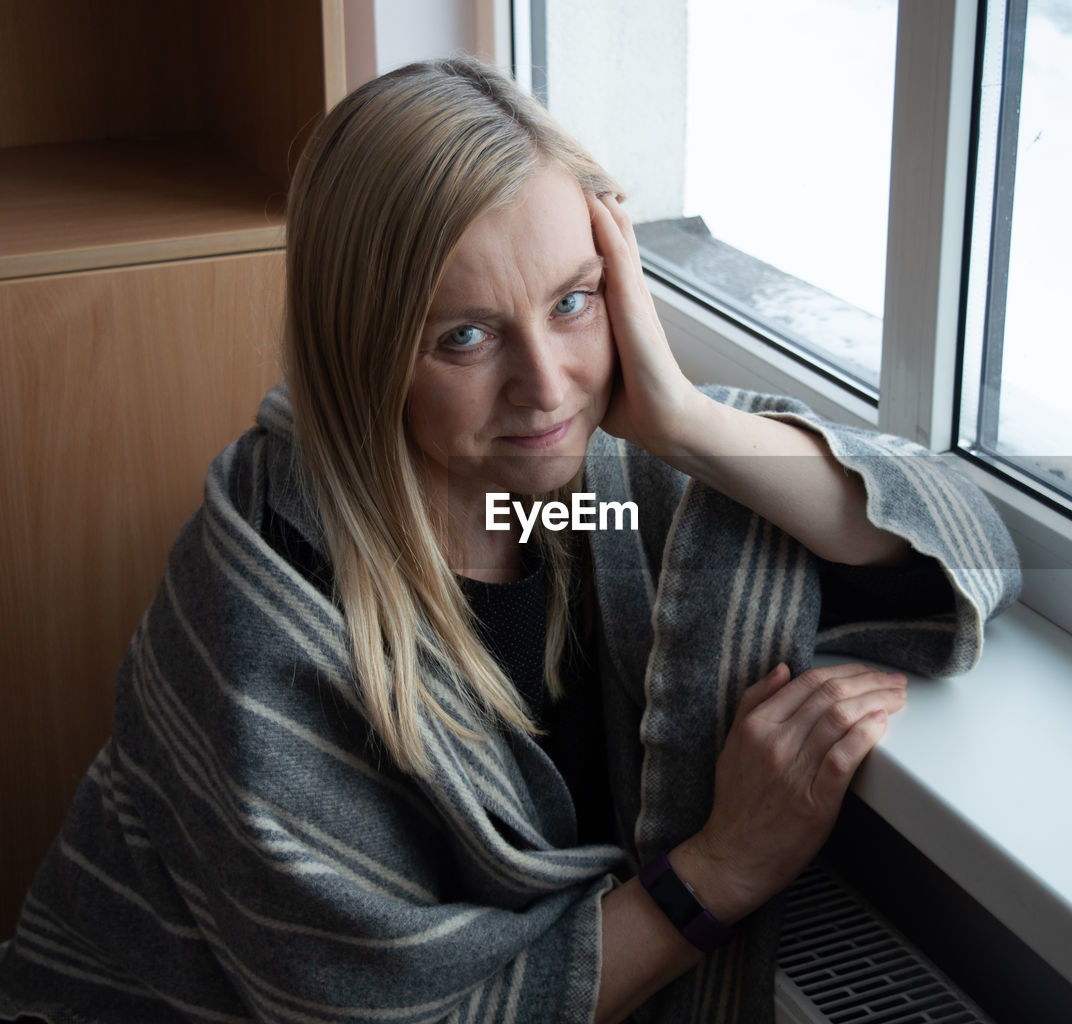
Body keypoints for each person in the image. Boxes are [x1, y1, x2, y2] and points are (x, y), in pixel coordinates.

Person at [0, 57, 1019, 1023]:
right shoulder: (265, 620)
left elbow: (961, 538)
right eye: (465, 336)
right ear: (362, 357)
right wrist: (720, 870)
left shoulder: (586, 504)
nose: (547, 385)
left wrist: (682, 421)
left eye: (573, 301)